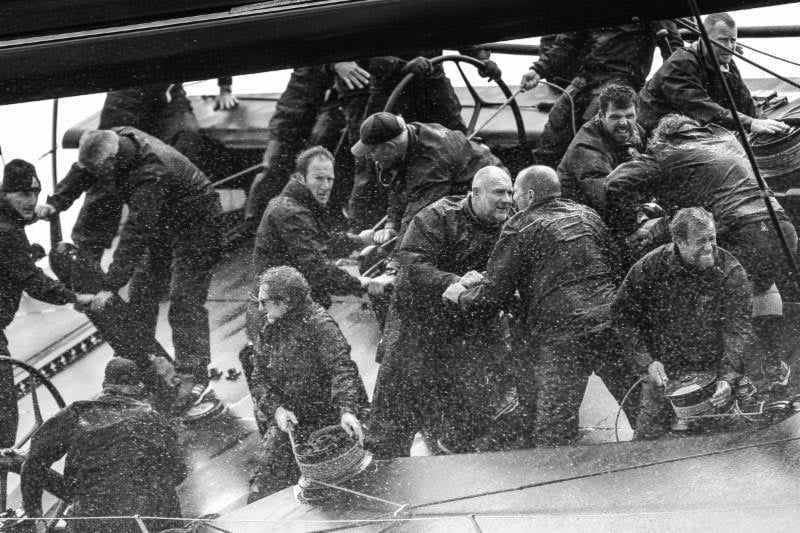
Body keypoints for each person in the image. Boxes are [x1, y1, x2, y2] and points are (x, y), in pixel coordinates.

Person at [445, 166, 632, 447]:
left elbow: (494, 295)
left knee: (555, 431)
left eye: (515, 193)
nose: (511, 201)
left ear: (529, 195)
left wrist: (460, 296)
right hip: (609, 324)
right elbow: (616, 267)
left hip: (562, 338)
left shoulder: (519, 226)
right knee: (642, 406)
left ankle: (554, 485)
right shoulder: (588, 215)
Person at [605, 114, 797, 388]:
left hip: (742, 231)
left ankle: (727, 378)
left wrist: (629, 228)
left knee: (719, 301)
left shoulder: (665, 151)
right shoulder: (724, 136)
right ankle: (772, 364)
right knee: (762, 287)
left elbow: (615, 183)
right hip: (781, 227)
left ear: (660, 138)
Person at [37, 128, 224, 405]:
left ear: (111, 161)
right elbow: (84, 170)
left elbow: (136, 232)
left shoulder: (149, 173)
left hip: (198, 222)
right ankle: (141, 364)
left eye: (101, 170)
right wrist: (57, 203)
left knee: (185, 300)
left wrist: (110, 286)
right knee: (142, 293)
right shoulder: (114, 143)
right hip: (165, 218)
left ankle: (194, 376)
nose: (96, 175)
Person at [369, 166, 513, 458]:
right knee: (393, 412)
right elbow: (411, 261)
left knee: (468, 412)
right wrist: (453, 282)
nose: (507, 199)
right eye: (499, 192)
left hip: (465, 330)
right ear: (475, 193)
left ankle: (451, 456)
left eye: (510, 192)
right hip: (417, 324)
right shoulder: (437, 216)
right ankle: (383, 468)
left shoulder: (510, 225)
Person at [49, 80, 236, 262]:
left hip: (168, 101)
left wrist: (225, 87)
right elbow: (88, 162)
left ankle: (169, 234)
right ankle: (88, 257)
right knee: (102, 168)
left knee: (186, 143)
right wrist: (57, 201)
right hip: (125, 94)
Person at [611, 208, 752, 439]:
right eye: (701, 241)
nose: (709, 247)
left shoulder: (730, 270)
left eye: (712, 238)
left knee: (732, 445)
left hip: (714, 372)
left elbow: (739, 330)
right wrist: (646, 362)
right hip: (664, 373)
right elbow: (622, 316)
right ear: (679, 241)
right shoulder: (651, 267)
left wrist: (728, 378)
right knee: (647, 445)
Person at [21, 358, 186, 533]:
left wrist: (34, 516)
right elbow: (179, 471)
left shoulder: (76, 413)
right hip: (152, 520)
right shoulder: (151, 418)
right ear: (138, 387)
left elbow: (32, 464)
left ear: (105, 384)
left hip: (95, 519)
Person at [351, 111, 504, 295]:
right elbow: (399, 187)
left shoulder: (430, 165)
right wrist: (391, 225)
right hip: (454, 200)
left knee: (411, 273)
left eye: (373, 151)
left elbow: (417, 221)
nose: (371, 157)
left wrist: (392, 270)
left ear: (390, 147)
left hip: (484, 210)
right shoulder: (410, 134)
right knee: (377, 255)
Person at [248, 266, 368, 501]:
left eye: (265, 302)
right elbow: (259, 378)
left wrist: (347, 410)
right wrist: (277, 409)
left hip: (333, 419)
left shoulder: (320, 325)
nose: (260, 309)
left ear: (286, 302)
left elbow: (342, 369)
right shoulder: (270, 327)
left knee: (350, 490)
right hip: (294, 420)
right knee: (262, 490)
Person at [0, 160, 93, 449]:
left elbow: (20, 221)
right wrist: (74, 297)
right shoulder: (6, 231)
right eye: (24, 195)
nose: (32, 201)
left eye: (35, 194)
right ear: (6, 194)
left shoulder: (8, 220)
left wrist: (35, 214)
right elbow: (34, 281)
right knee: (5, 417)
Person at [520, 21, 682, 167]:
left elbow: (673, 52)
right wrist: (538, 70)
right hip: (586, 79)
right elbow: (566, 45)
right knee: (554, 130)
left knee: (594, 127)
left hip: (621, 80)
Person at [253, 146, 374, 310]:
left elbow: (321, 240)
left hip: (285, 303)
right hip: (282, 309)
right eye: (318, 178)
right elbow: (315, 268)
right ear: (301, 178)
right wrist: (359, 283)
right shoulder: (292, 213)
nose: (325, 186)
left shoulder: (299, 203)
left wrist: (359, 241)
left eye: (329, 179)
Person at [637, 13, 789, 135]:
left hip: (688, 128)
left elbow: (745, 102)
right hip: (656, 132)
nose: (729, 47)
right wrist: (750, 123)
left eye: (733, 40)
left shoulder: (726, 63)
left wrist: (767, 124)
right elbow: (702, 108)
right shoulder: (681, 64)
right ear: (703, 38)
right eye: (723, 40)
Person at [557, 83, 646, 211]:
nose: (623, 123)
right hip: (580, 214)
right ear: (601, 115)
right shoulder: (587, 147)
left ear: (636, 113)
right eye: (615, 117)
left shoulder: (637, 132)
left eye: (629, 116)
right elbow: (606, 200)